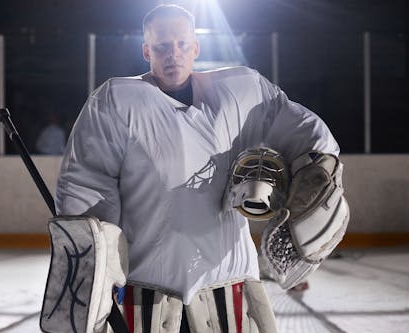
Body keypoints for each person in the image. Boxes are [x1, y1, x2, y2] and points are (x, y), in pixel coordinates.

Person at [54, 4, 348, 332]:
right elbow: (86, 183)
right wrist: (95, 261)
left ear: (195, 47)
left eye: (181, 45)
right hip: (148, 286)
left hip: (229, 281)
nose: (173, 54)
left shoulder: (242, 94)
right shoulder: (115, 102)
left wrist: (321, 165)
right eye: (162, 46)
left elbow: (299, 127)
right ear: (146, 50)